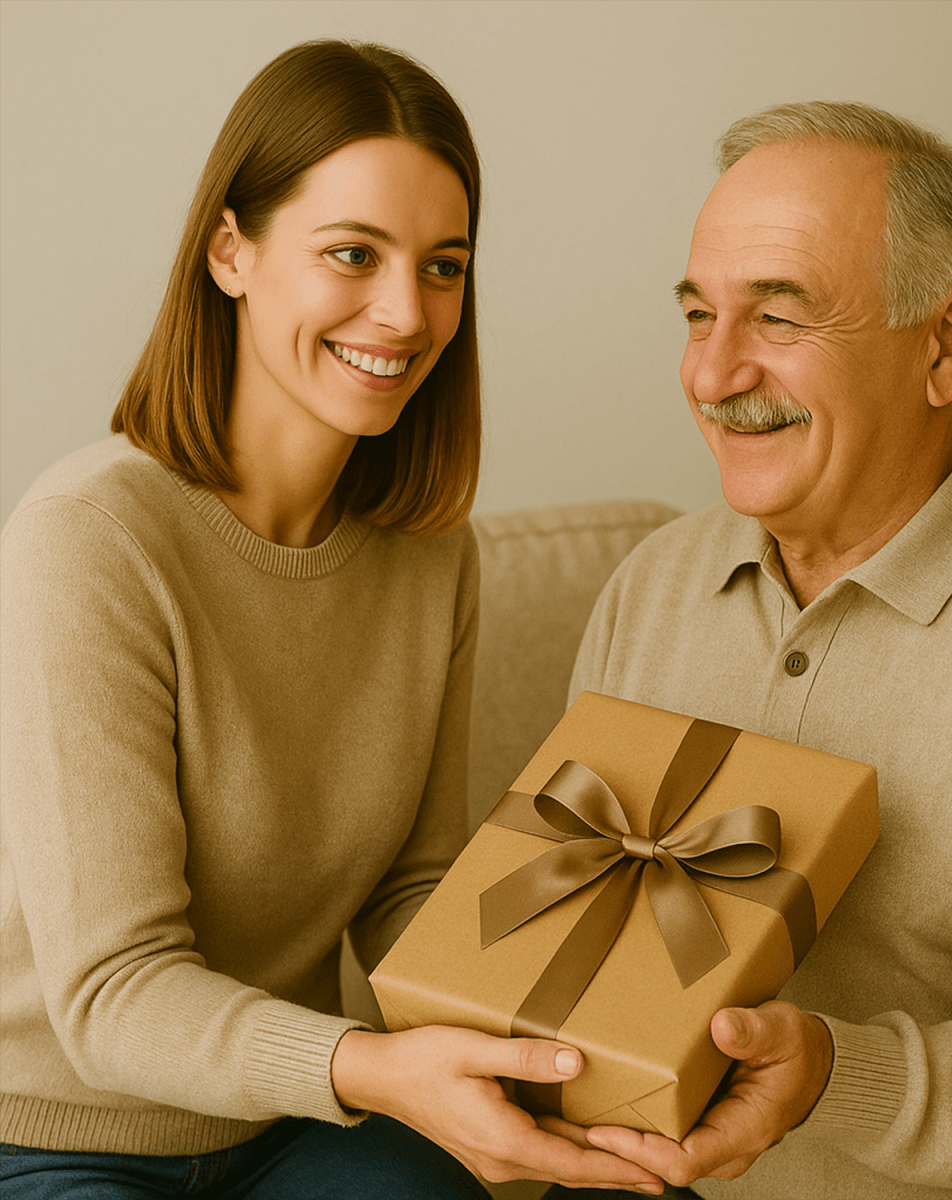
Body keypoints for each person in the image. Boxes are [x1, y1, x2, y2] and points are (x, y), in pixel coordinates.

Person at [0, 40, 662, 1197]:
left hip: (281, 1119)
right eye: (354, 253)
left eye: (444, 266)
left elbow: (416, 883)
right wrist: (377, 1069)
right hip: (57, 1126)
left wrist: (564, 1036)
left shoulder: (427, 554)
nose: (406, 313)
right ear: (231, 252)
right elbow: (111, 994)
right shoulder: (92, 539)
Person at [552, 103, 952, 1199]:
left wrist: (830, 1076)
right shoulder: (650, 587)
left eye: (778, 319)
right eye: (699, 315)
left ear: (943, 344)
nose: (711, 378)